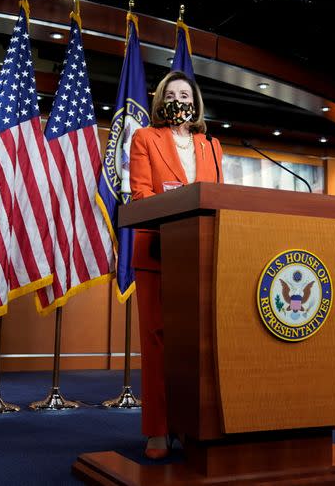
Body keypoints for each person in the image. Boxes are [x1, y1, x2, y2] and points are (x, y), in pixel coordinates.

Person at [129, 70, 223, 459]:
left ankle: (188, 425)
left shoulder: (212, 146)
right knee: (158, 343)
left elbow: (218, 199)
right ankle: (157, 428)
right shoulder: (145, 138)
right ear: (161, 101)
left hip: (198, 255)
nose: (180, 100)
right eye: (172, 94)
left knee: (194, 346)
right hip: (156, 252)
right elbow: (141, 196)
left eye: (186, 94)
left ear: (196, 102)